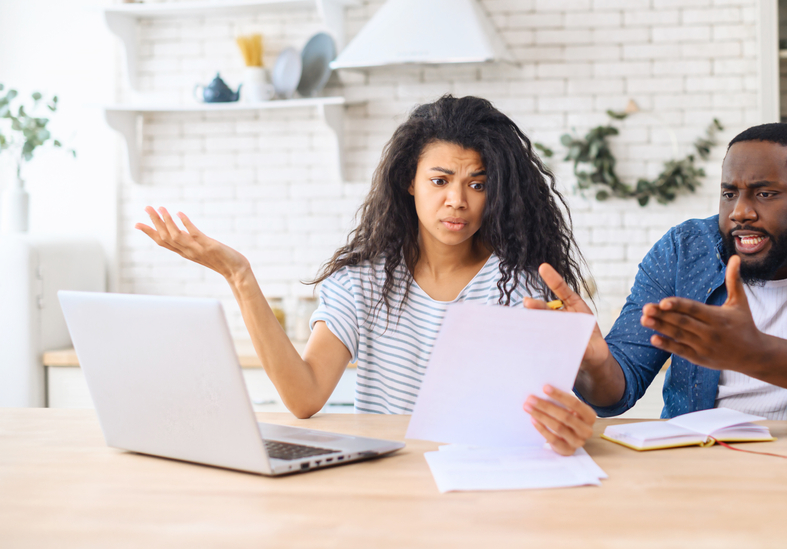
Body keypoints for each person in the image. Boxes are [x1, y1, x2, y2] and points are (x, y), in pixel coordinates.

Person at [137, 94, 598, 455]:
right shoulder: (360, 284)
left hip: (485, 479)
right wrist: (240, 277)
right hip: (385, 485)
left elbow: (545, 414)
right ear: (409, 182)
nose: (457, 200)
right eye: (439, 181)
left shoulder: (521, 286)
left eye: (477, 184)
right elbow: (304, 397)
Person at [526, 123, 787, 423]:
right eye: (730, 193)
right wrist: (596, 363)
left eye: (765, 193)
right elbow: (613, 397)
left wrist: (758, 354)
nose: (740, 212)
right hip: (701, 471)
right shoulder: (683, 252)